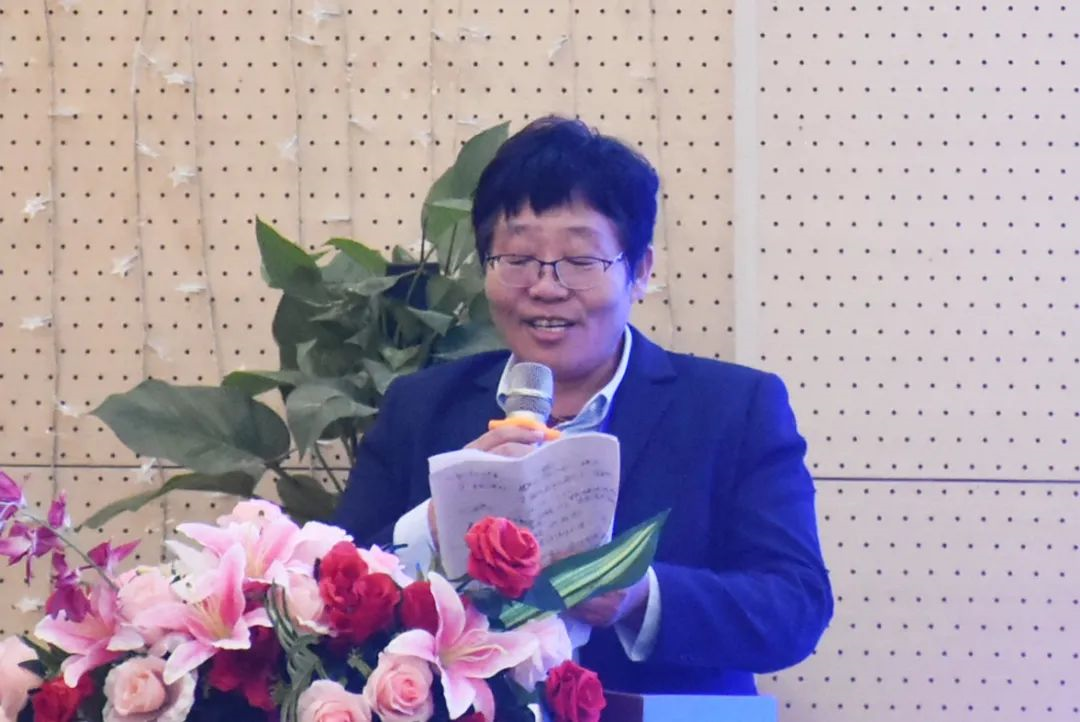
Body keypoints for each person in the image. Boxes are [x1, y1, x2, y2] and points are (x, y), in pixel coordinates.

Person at [332, 115, 833, 695]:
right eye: (517, 258)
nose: (546, 287)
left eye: (579, 260)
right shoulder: (420, 407)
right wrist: (434, 525)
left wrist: (638, 595)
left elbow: (795, 608)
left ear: (639, 271)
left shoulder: (734, 409)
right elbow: (329, 594)